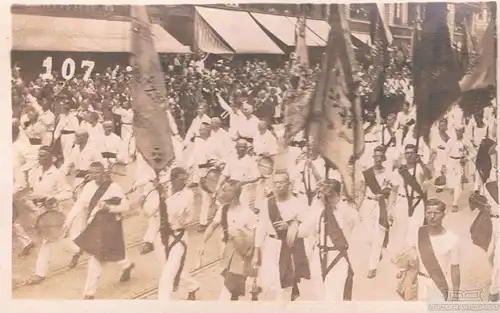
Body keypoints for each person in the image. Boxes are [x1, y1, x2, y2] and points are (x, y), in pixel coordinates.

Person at [64, 162, 135, 299]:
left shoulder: (114, 187)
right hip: (94, 225)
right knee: (108, 251)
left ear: (104, 173)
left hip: (110, 225)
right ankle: (127, 265)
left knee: (96, 257)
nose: (94, 175)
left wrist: (109, 208)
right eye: (92, 173)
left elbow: (126, 206)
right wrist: (67, 222)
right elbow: (79, 205)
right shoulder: (88, 187)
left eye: (98, 172)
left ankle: (89, 293)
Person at [143, 167, 200, 301]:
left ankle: (163, 304)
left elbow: (184, 215)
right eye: (181, 179)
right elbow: (148, 212)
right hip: (161, 237)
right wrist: (154, 197)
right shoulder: (161, 192)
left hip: (178, 237)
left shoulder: (188, 194)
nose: (185, 182)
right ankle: (193, 286)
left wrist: (164, 198)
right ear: (173, 180)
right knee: (171, 269)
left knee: (168, 273)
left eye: (186, 179)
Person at [254, 170, 310, 301]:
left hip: (290, 248)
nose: (278, 186)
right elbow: (261, 227)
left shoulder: (298, 203)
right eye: (275, 183)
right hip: (270, 246)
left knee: (287, 285)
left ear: (289, 184)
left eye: (281, 182)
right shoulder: (267, 203)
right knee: (268, 284)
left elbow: (307, 229)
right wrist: (256, 251)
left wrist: (290, 227)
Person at [298, 179, 358, 301]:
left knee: (334, 298)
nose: (325, 197)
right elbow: (302, 232)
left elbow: (354, 220)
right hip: (318, 256)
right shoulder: (317, 211)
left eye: (329, 194)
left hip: (338, 257)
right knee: (320, 296)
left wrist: (337, 200)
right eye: (322, 194)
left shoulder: (346, 211)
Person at [198, 180, 258, 301]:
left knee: (227, 288)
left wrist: (251, 249)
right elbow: (212, 226)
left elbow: (256, 234)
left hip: (242, 253)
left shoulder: (247, 213)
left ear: (234, 195)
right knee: (232, 284)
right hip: (229, 250)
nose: (221, 192)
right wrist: (202, 242)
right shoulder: (223, 210)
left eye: (225, 190)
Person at [23, 146, 72, 285]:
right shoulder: (35, 171)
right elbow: (32, 189)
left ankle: (40, 274)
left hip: (53, 212)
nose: (41, 159)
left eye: (44, 156)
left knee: (46, 242)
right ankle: (77, 251)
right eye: (40, 156)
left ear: (52, 158)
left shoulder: (58, 174)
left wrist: (54, 198)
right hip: (39, 211)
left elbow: (68, 193)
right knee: (57, 239)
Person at [403, 199, 461, 301]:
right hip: (418, 284)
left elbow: (455, 268)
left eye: (436, 213)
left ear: (444, 214)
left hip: (439, 285)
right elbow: (408, 253)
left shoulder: (452, 239)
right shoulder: (417, 233)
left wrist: (456, 294)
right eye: (429, 213)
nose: (432, 216)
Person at [388, 144, 432, 259]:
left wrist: (421, 161)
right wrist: (390, 208)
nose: (409, 155)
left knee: (414, 232)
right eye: (407, 153)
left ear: (416, 154)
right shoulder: (399, 171)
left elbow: (429, 176)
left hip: (417, 203)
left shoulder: (419, 168)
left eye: (412, 153)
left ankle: (412, 259)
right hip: (401, 201)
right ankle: (401, 260)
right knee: (400, 232)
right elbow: (393, 190)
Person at [359, 146, 393, 278]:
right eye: (376, 156)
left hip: (381, 206)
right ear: (373, 157)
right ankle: (378, 252)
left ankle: (372, 267)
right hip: (368, 204)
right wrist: (358, 208)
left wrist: (386, 198)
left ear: (384, 158)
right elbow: (362, 192)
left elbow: (391, 190)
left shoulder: (389, 173)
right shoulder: (367, 173)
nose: (378, 159)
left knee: (379, 235)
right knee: (368, 237)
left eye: (381, 156)